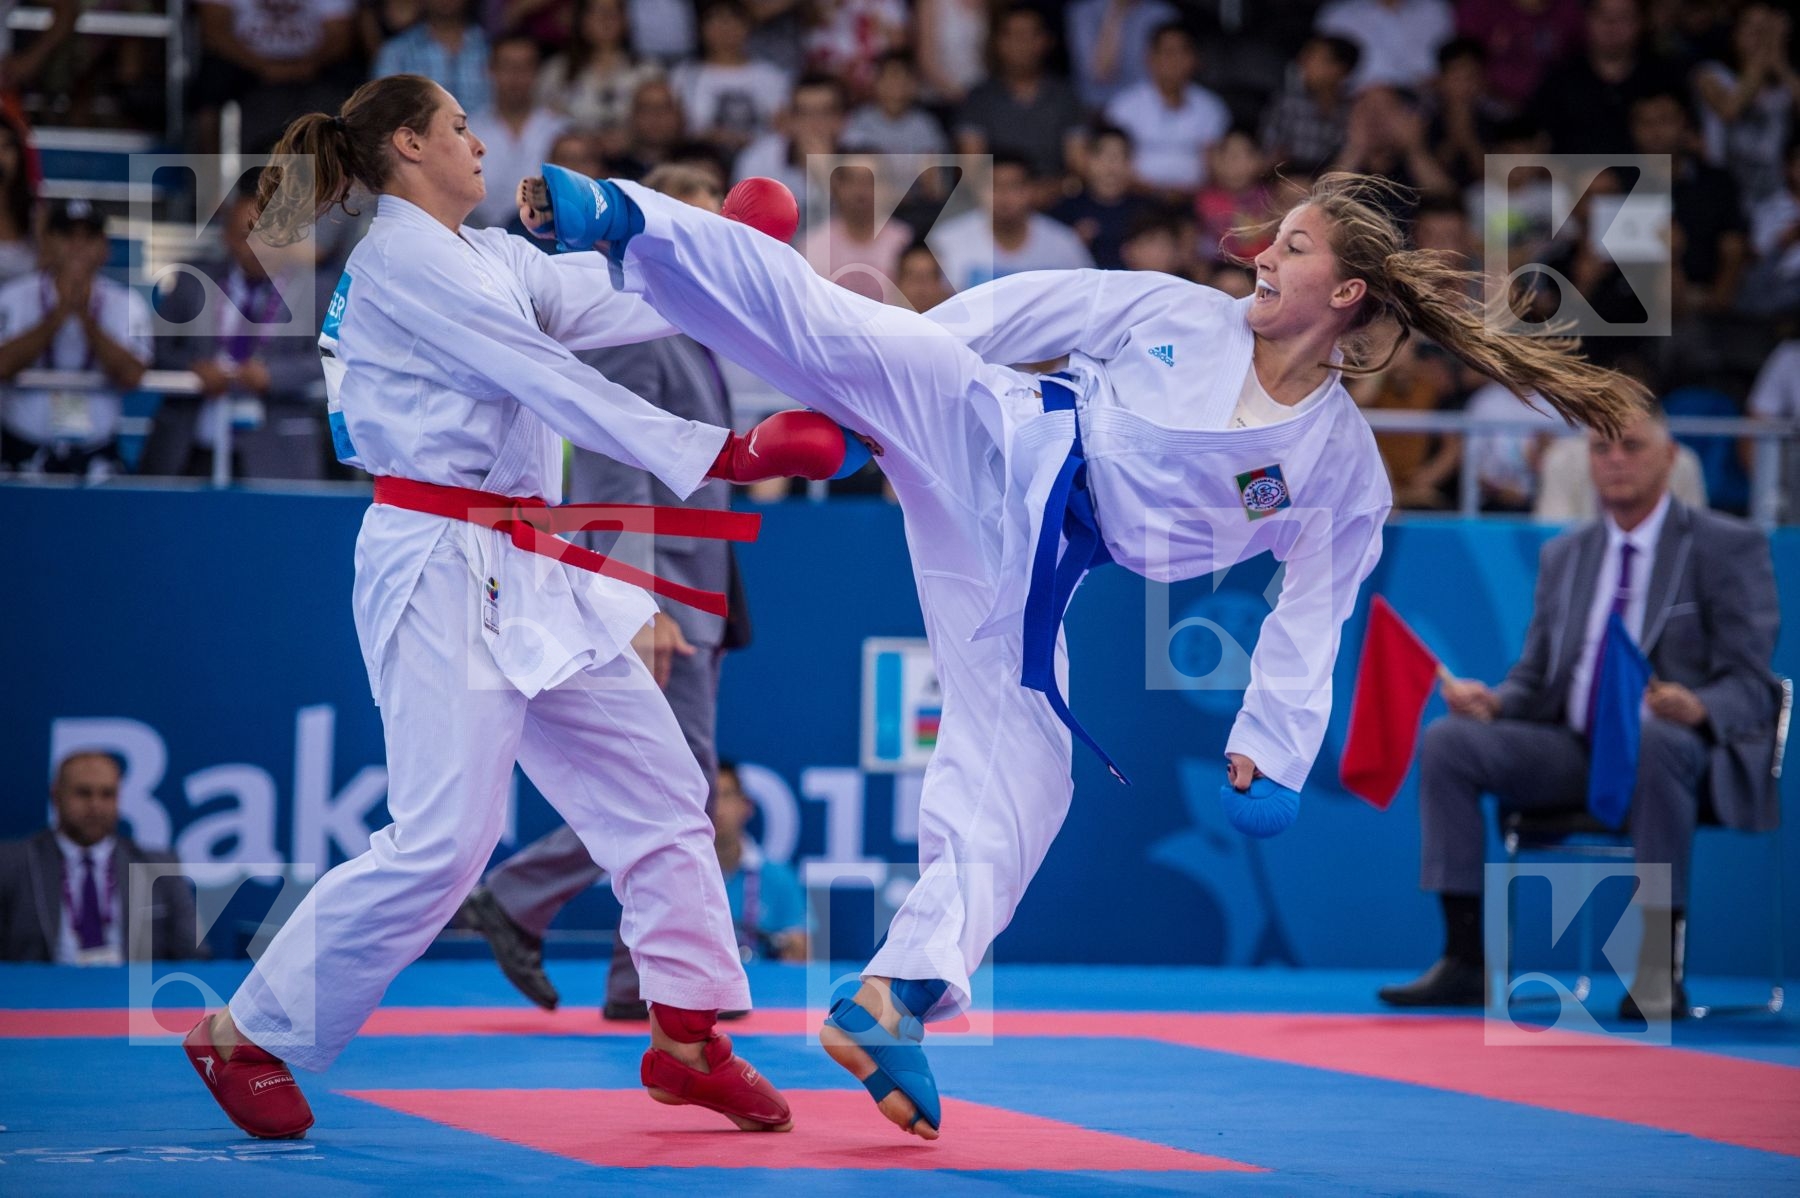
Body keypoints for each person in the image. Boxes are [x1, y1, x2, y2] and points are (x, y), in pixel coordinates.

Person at [519, 166, 1645, 1139]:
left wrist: (1274, 747)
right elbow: (1029, 304)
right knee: (857, 336)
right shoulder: (1177, 312)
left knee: (1031, 764)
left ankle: (897, 993)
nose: (1263, 252)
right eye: (1272, 234)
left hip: (1030, 560)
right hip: (1001, 427)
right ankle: (624, 219)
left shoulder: (1341, 467)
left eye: (1293, 245)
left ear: (1344, 293)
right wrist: (892, 390)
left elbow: (1317, 608)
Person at [176, 74, 852, 1142]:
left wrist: (720, 250)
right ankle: (245, 1033)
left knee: (666, 788)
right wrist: (723, 451)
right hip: (438, 557)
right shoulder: (399, 262)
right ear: (407, 144)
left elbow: (616, 305)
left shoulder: (487, 254)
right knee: (446, 838)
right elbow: (546, 376)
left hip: (532, 560)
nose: (478, 143)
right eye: (456, 127)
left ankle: (685, 1038)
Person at [459, 162, 756, 1018]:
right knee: (672, 782)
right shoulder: (635, 320)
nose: (711, 231)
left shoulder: (685, 318)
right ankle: (540, 911)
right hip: (660, 590)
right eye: (693, 214)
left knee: (676, 782)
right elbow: (609, 461)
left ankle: (632, 975)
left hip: (699, 582)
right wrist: (640, 600)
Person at [1380, 403, 1780, 1020]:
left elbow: (1754, 686)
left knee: (1655, 740)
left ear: (1671, 458)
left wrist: (1696, 704)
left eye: (1632, 446)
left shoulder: (1727, 547)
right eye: (1601, 449)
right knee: (1449, 742)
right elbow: (1537, 678)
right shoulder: (1566, 555)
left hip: (1676, 755)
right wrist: (1497, 701)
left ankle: (1655, 972)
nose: (1615, 460)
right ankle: (1464, 960)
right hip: (1572, 749)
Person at [141, 180, 330, 480]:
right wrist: (193, 369)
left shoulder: (316, 290)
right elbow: (155, 349)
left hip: (277, 452)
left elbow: (332, 359)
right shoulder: (191, 280)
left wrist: (273, 376)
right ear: (226, 236)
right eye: (246, 236)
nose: (257, 247)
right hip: (193, 445)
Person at [0, 751, 209, 963]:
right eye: (83, 793)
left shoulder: (157, 866)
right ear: (56, 796)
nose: (95, 805)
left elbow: (195, 958)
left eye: (107, 794)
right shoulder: (12, 863)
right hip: (40, 992)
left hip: (130, 993)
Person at [0, 199, 152, 479]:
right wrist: (57, 316)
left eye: (89, 237)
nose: (77, 246)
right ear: (47, 242)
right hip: (20, 451)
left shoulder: (126, 303)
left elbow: (132, 374)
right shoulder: (13, 296)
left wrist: (85, 317)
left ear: (104, 247)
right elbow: (3, 365)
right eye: (67, 236)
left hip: (96, 455)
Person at [1103, 21, 1231, 199]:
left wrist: (1186, 193)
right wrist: (1153, 191)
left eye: (1183, 52)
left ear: (1195, 59)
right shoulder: (1123, 107)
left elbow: (1216, 166)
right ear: (1150, 59)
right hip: (1134, 197)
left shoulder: (1211, 108)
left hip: (1195, 201)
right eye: (1168, 53)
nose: (1175, 61)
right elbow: (1112, 162)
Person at [930, 153, 1093, 292]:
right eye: (994, 186)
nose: (1004, 196)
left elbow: (1086, 296)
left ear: (1031, 190)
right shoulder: (946, 241)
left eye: (1014, 186)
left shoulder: (1064, 244)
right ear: (979, 190)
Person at [467, 36, 566, 228]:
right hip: (477, 239)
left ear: (537, 72)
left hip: (545, 239)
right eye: (507, 66)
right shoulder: (468, 131)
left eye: (524, 67)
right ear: (490, 70)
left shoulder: (560, 130)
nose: (515, 75)